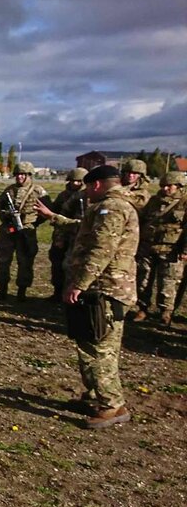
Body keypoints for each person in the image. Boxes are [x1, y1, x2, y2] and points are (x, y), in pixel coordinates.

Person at [63, 165, 140, 429]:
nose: (85, 192)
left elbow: (102, 250)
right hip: (99, 289)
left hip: (107, 289)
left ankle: (112, 405)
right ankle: (96, 395)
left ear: (95, 185)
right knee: (89, 341)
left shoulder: (113, 208)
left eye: (87, 187)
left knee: (101, 348)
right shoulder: (111, 205)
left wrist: (79, 284)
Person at [0, 161, 52, 300]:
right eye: (18, 174)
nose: (19, 177)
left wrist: (33, 223)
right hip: (8, 231)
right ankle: (2, 289)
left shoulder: (38, 191)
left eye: (23, 174)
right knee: (2, 260)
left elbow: (48, 211)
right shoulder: (9, 190)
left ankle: (22, 292)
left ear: (29, 175)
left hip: (27, 231)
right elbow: (0, 207)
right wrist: (7, 217)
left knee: (25, 261)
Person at [134, 171, 186, 325]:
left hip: (171, 250)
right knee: (143, 280)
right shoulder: (154, 201)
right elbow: (142, 220)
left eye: (170, 186)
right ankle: (142, 309)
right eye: (163, 186)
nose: (166, 189)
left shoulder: (184, 202)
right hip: (148, 247)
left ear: (179, 186)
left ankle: (165, 312)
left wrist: (185, 251)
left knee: (168, 283)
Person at [48, 167, 88, 300]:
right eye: (72, 181)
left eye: (78, 181)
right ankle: (57, 292)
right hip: (62, 234)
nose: (75, 184)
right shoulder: (63, 196)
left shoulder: (88, 196)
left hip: (79, 236)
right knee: (57, 264)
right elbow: (56, 213)